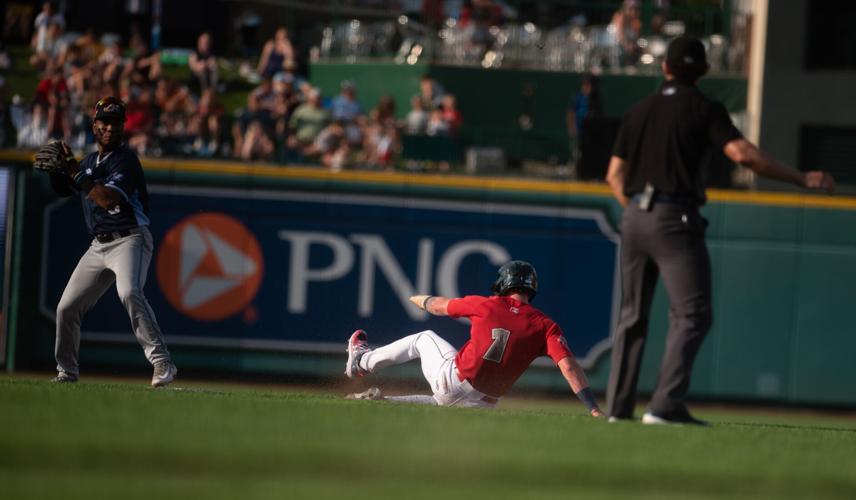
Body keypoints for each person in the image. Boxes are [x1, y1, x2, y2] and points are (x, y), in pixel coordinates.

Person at [604, 37, 835, 425]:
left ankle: (617, 408)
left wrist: (638, 213)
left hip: (635, 218)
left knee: (632, 316)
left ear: (666, 68)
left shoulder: (639, 110)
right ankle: (664, 405)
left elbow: (614, 175)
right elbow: (743, 155)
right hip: (674, 217)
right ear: (704, 72)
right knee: (692, 313)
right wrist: (800, 177)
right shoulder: (703, 108)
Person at [344, 260, 603, 415]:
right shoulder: (546, 325)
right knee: (438, 405)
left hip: (453, 380)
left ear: (504, 284)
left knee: (423, 337)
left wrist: (417, 299)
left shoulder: (487, 305)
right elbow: (568, 366)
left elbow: (437, 306)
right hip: (484, 405)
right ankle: (380, 402)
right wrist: (592, 407)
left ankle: (361, 361)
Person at [51, 96, 178, 387]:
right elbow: (64, 188)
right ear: (94, 125)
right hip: (98, 246)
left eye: (116, 122)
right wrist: (56, 172)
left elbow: (107, 200)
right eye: (105, 122)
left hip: (130, 239)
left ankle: (162, 362)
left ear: (124, 126)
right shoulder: (88, 162)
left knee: (130, 292)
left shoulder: (125, 160)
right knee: (66, 308)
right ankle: (66, 372)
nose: (110, 127)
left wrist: (73, 172)